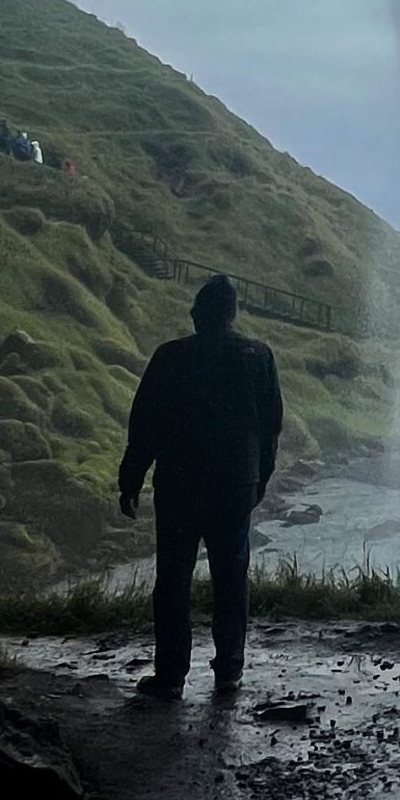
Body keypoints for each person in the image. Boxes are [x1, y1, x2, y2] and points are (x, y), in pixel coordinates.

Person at [118, 274, 284, 701]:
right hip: (236, 483)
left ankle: (171, 676)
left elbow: (146, 425)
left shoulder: (171, 357)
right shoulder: (258, 356)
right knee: (232, 576)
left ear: (197, 313)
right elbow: (269, 427)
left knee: (173, 577)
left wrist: (131, 478)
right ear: (232, 314)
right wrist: (259, 478)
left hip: (180, 484)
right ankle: (229, 670)